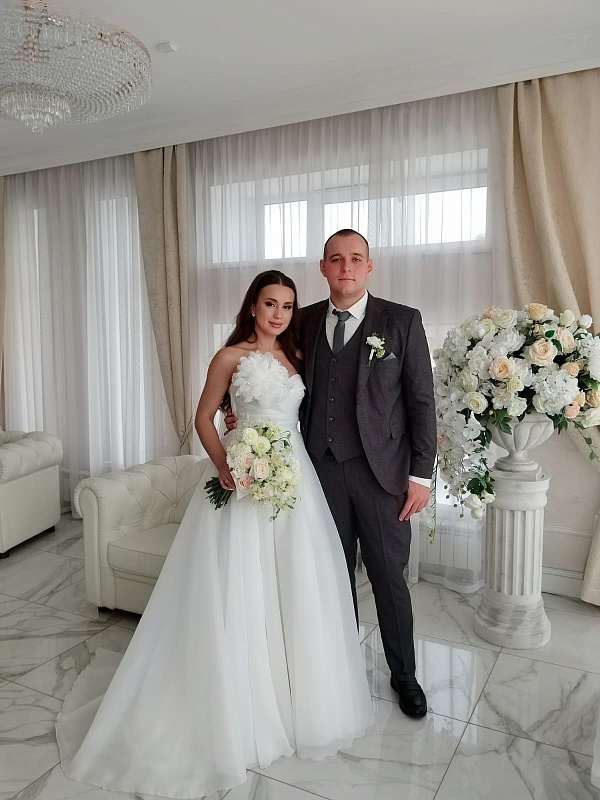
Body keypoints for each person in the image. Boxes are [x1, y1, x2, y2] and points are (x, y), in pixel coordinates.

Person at [55, 270, 374, 800]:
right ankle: (238, 700)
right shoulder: (229, 357)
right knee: (239, 583)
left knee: (297, 581)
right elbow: (204, 417)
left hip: (294, 478)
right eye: (270, 304)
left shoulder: (297, 356)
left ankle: (294, 696)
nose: (279, 314)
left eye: (287, 306)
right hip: (242, 477)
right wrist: (227, 464)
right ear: (252, 307)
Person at [228, 231, 436, 718]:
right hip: (317, 474)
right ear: (323, 267)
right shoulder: (300, 321)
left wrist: (421, 476)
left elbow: (422, 401)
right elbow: (261, 368)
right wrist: (238, 413)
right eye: (336, 259)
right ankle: (341, 672)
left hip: (383, 476)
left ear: (369, 266)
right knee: (329, 578)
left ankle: (404, 676)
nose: (346, 267)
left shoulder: (402, 320)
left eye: (356, 259)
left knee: (388, 579)